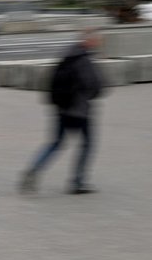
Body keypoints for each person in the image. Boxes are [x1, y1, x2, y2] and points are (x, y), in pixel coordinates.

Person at [20, 28, 104, 195]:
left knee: (56, 143)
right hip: (79, 110)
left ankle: (34, 169)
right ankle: (77, 182)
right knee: (88, 144)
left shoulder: (68, 54)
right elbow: (92, 85)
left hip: (61, 108)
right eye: (98, 40)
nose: (99, 43)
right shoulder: (83, 60)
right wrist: (96, 92)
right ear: (89, 41)